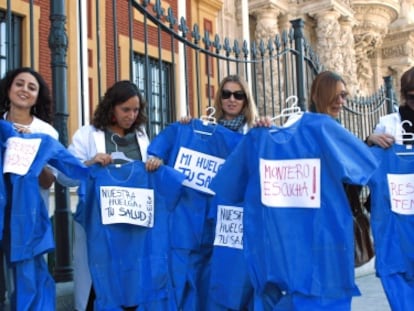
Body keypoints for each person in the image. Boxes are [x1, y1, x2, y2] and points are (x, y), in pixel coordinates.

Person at [68, 80, 161, 311]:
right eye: (125, 109)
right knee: (99, 285)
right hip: (99, 227)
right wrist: (88, 164)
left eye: (136, 110)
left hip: (133, 224)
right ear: (111, 107)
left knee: (131, 286)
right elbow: (65, 175)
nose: (131, 115)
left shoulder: (141, 136)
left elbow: (150, 176)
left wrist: (154, 163)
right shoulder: (87, 135)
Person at [0, 67, 59, 306]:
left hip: (28, 218)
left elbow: (48, 181)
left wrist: (30, 150)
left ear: (37, 97)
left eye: (31, 87)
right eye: (19, 84)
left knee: (28, 278)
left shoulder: (46, 132)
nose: (24, 90)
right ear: (9, 88)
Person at [181, 75, 258, 133]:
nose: (232, 99)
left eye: (238, 95)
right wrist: (187, 127)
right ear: (220, 98)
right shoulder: (207, 129)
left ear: (246, 99)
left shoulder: (254, 130)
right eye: (226, 94)